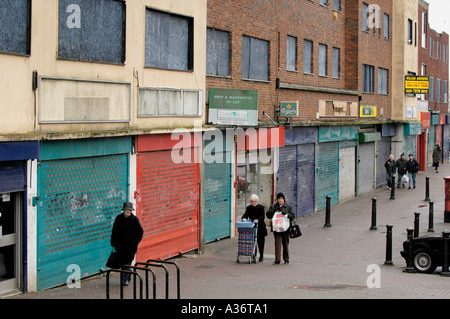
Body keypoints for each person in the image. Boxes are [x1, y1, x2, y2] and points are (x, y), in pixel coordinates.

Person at [111, 202, 144, 286]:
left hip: (130, 247)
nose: (127, 213)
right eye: (126, 211)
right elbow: (114, 231)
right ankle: (126, 278)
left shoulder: (135, 220)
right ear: (123, 210)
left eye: (129, 211)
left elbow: (140, 232)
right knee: (123, 263)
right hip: (120, 246)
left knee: (127, 262)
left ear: (131, 211)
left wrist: (134, 242)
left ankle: (125, 280)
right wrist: (113, 242)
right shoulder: (119, 218)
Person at [266, 193, 295, 265]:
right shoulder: (273, 206)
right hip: (277, 228)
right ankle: (277, 259)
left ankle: (286, 258)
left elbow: (293, 216)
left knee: (285, 243)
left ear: (284, 199)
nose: (280, 200)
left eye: (281, 198)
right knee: (277, 244)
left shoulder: (288, 207)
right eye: (279, 198)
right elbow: (268, 215)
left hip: (285, 228)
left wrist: (287, 214)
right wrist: (273, 211)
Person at [242, 194, 267, 262]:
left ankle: (261, 255)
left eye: (255, 201)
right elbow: (245, 215)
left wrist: (258, 220)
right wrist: (244, 218)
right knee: (253, 242)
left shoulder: (261, 207)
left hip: (260, 227)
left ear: (257, 201)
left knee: (261, 242)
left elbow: (262, 216)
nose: (254, 203)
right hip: (252, 226)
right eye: (252, 201)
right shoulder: (249, 208)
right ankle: (254, 255)